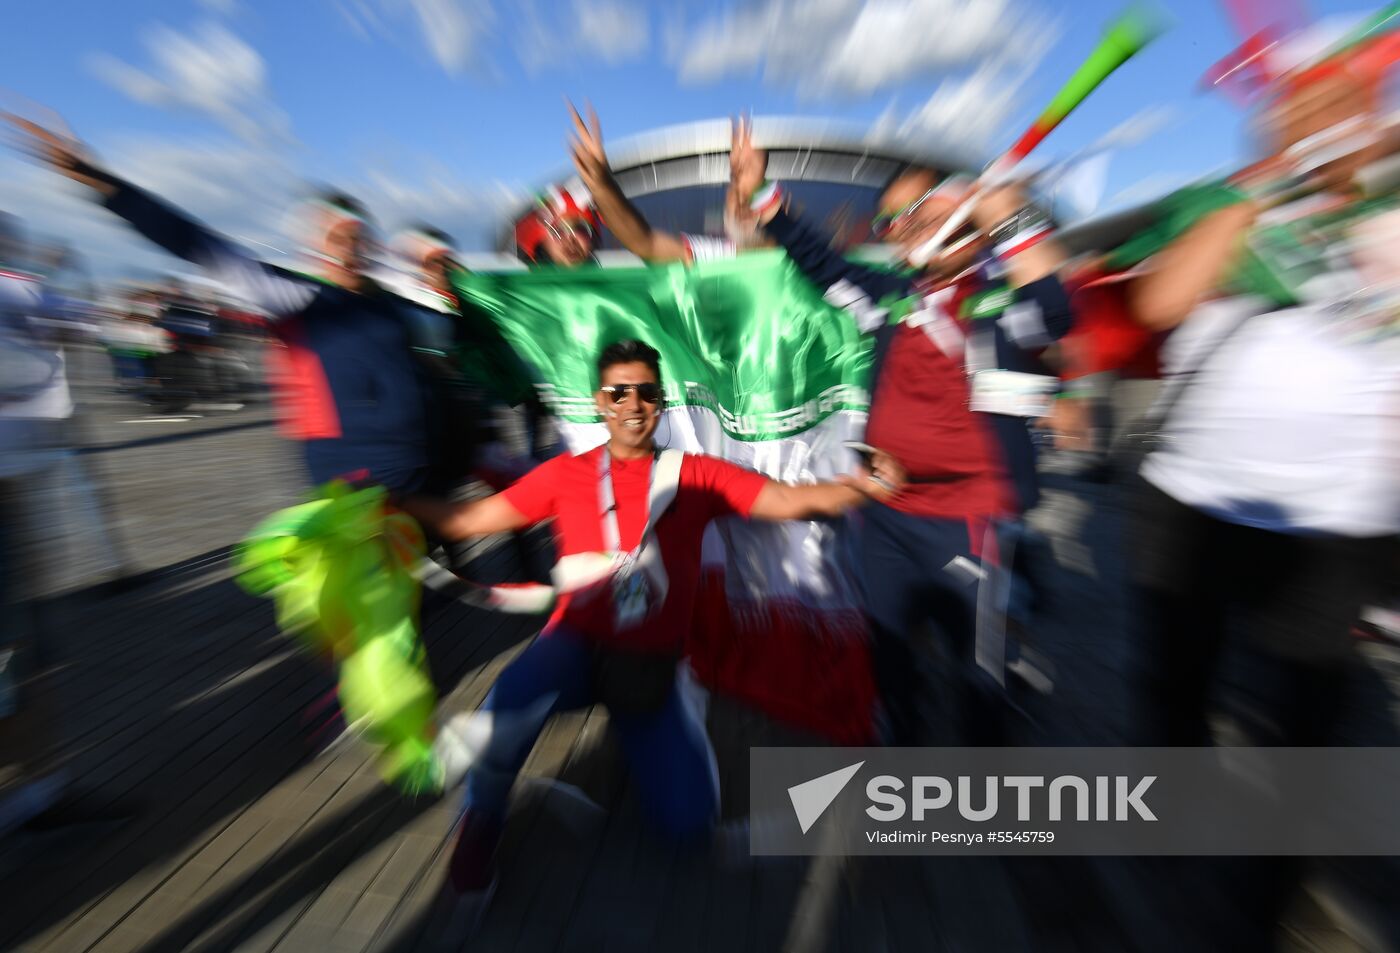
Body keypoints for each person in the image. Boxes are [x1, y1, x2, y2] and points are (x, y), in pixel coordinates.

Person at [399, 338, 903, 898]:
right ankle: (480, 824)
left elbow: (787, 502)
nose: (632, 404)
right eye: (619, 392)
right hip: (573, 646)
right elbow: (468, 520)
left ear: (661, 401)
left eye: (646, 391)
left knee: (686, 828)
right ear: (599, 401)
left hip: (651, 661)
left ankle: (646, 754)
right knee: (503, 712)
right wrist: (390, 505)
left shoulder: (696, 475)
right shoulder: (566, 475)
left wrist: (863, 485)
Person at [728, 119, 1075, 744]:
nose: (906, 223)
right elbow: (819, 261)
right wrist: (760, 198)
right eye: (892, 220)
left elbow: (1054, 308)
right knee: (887, 651)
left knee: (980, 678)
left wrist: (1013, 218)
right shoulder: (890, 296)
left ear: (964, 206)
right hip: (886, 510)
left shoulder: (993, 298)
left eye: (919, 207)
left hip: (969, 518)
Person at [6, 113, 467, 503]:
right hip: (354, 478)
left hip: (427, 467)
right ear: (314, 244)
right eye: (337, 237)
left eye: (359, 236)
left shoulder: (391, 303)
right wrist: (103, 183)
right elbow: (196, 243)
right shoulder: (296, 295)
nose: (352, 247)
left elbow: (450, 343)